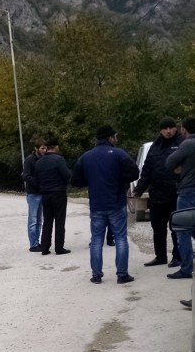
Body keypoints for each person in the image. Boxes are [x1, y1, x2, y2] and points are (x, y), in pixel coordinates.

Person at [71, 125, 139, 284]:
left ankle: (96, 275)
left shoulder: (86, 157)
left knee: (96, 240)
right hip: (116, 203)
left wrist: (91, 180)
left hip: (97, 205)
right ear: (110, 137)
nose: (116, 139)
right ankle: (122, 275)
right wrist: (120, 179)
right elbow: (134, 172)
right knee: (121, 238)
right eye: (115, 136)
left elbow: (75, 180)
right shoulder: (118, 154)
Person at [132, 117, 182, 267]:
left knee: (177, 229)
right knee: (158, 228)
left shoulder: (181, 144)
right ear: (160, 130)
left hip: (176, 194)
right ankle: (160, 256)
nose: (168, 131)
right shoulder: (155, 147)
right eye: (165, 128)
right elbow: (146, 170)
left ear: (176, 128)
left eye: (171, 128)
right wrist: (138, 189)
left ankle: (178, 256)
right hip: (157, 195)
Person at [165, 116, 195, 279]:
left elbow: (169, 163)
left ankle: (186, 268)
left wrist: (181, 168)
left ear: (184, 129)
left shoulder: (188, 144)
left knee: (183, 230)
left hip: (188, 191)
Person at [33, 136, 71, 255]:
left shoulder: (39, 162)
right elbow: (67, 175)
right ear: (55, 147)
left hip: (45, 194)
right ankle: (59, 247)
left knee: (47, 221)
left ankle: (45, 248)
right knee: (59, 221)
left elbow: (36, 179)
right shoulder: (59, 159)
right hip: (58, 193)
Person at [22, 137, 47, 252]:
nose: (44, 150)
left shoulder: (44, 159)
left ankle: (37, 242)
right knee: (33, 220)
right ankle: (33, 244)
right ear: (36, 148)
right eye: (42, 148)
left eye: (45, 148)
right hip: (33, 194)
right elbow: (26, 176)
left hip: (41, 193)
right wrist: (37, 183)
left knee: (39, 220)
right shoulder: (29, 160)